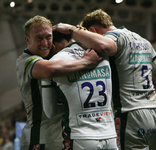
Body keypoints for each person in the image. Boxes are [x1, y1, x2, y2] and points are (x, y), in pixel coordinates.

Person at [53, 9, 156, 150]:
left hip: (131, 115)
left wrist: (71, 30)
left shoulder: (115, 37)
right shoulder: (144, 42)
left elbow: (105, 46)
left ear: (93, 31)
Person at [16, 15, 101, 150]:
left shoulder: (54, 57)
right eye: (39, 38)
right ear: (28, 40)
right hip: (40, 138)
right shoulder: (25, 61)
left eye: (48, 37)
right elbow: (51, 70)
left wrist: (77, 33)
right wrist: (88, 61)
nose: (45, 43)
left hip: (61, 137)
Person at [41, 31, 118, 150]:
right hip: (110, 135)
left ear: (54, 46)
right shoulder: (102, 54)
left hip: (81, 137)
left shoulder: (52, 64)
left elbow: (50, 112)